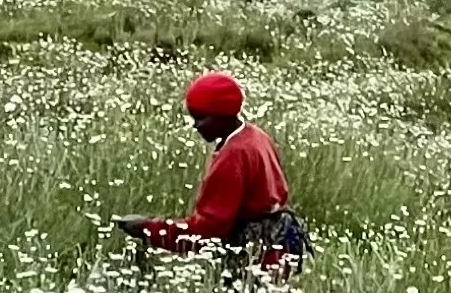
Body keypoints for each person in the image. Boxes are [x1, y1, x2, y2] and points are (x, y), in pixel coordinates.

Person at [115, 72, 308, 273]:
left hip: (256, 259)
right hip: (279, 249)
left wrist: (148, 230)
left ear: (222, 116)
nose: (196, 126)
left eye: (201, 118)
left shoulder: (233, 155)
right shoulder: (256, 136)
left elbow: (207, 231)